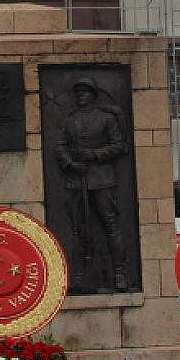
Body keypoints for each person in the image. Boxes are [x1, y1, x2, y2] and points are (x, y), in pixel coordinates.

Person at [54, 77, 129, 292]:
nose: (81, 96)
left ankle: (120, 273)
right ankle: (79, 276)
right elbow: (60, 146)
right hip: (77, 180)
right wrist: (70, 164)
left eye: (85, 92)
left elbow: (118, 146)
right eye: (78, 92)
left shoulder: (106, 119)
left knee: (111, 226)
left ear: (93, 95)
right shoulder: (71, 120)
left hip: (102, 179)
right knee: (78, 230)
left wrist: (94, 155)